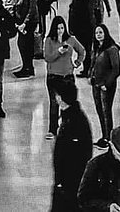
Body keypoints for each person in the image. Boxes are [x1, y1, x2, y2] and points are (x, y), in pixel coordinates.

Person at [49, 79, 93, 212]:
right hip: (66, 182)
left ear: (60, 98)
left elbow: (75, 156)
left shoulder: (75, 123)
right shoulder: (71, 117)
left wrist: (62, 183)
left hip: (70, 184)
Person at [43, 15, 85, 140]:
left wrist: (77, 63)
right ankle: (52, 129)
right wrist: (58, 52)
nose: (60, 31)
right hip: (53, 76)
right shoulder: (49, 40)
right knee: (54, 103)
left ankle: (68, 129)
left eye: (62, 28)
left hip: (67, 77)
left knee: (69, 104)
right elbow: (47, 57)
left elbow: (82, 51)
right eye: (57, 28)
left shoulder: (71, 39)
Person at [88, 23, 120, 148]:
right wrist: (90, 75)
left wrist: (107, 84)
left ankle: (109, 138)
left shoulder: (112, 49)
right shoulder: (97, 48)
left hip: (106, 86)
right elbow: (93, 63)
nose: (98, 35)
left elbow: (116, 69)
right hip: (96, 84)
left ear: (106, 33)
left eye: (101, 32)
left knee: (106, 111)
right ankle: (104, 136)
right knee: (99, 110)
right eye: (96, 33)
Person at [13, 0, 39, 78]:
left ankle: (28, 68)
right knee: (22, 44)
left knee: (26, 44)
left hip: (29, 21)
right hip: (21, 21)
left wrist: (25, 22)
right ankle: (26, 67)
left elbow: (32, 6)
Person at [67, 0, 95, 77]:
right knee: (89, 48)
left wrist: (71, 28)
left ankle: (86, 69)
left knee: (83, 48)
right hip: (90, 25)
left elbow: (74, 14)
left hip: (80, 27)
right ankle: (89, 69)